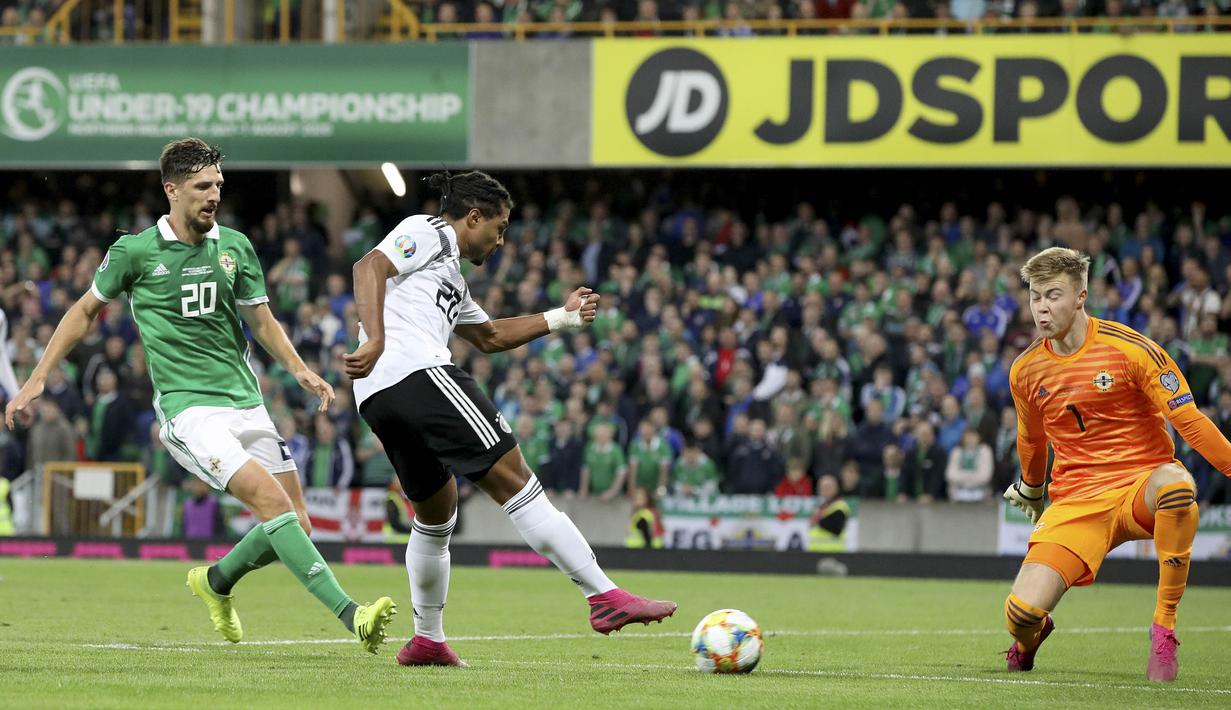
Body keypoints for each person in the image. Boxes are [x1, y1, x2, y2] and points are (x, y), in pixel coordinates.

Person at [5, 138, 396, 654]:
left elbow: (260, 319)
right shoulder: (135, 252)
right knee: (272, 505)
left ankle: (215, 582)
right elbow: (82, 313)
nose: (214, 195)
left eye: (218, 185)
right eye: (202, 186)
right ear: (172, 189)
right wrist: (35, 378)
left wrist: (299, 369)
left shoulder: (235, 246)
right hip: (191, 412)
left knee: (295, 523)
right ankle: (353, 617)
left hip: (246, 401)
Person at [346, 170, 676, 668]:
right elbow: (368, 266)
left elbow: (491, 336)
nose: (500, 241)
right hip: (414, 371)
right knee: (517, 480)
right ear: (472, 216)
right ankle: (603, 595)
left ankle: (427, 640)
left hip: (378, 395)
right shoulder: (429, 230)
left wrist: (562, 317)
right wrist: (375, 338)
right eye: (497, 228)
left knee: (436, 513)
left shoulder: (449, 276)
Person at [1001, 247, 1231, 682]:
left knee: (1177, 487)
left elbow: (1191, 424)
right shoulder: (1026, 370)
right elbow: (1032, 440)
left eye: (1053, 295)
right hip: (1077, 501)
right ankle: (1030, 638)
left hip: (1140, 485)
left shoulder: (1132, 349)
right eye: (1035, 297)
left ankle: (1164, 628)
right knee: (1020, 613)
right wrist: (1032, 489)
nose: (1042, 308)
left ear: (1082, 295)